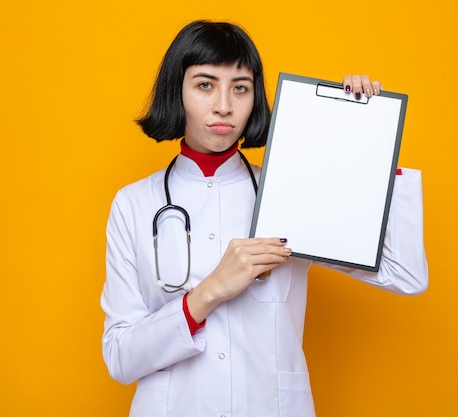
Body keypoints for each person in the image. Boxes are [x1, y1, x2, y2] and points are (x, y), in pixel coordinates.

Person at [100, 20, 428, 417]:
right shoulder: (134, 204)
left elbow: (406, 275)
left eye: (240, 87)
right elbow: (120, 357)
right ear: (178, 91)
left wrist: (367, 137)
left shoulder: (290, 191)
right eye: (205, 85)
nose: (224, 105)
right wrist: (209, 292)